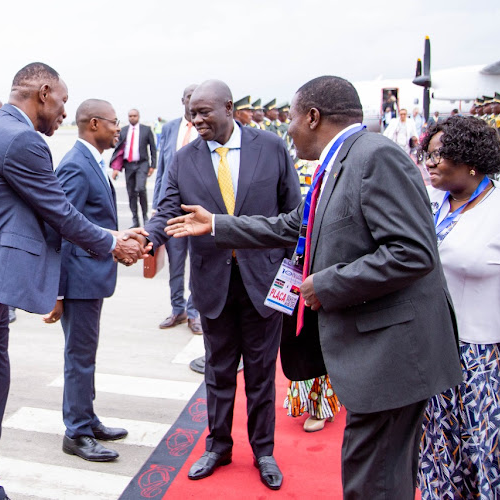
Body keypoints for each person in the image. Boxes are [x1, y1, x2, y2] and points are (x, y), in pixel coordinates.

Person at [165, 75, 462, 499]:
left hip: (392, 358)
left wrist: (327, 283)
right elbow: (292, 224)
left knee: (374, 481)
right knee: (373, 477)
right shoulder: (341, 161)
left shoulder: (375, 157)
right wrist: (215, 224)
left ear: (313, 116)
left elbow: (413, 252)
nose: (286, 127)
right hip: (374, 359)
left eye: (290, 117)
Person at [0, 62, 148, 500]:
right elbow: (58, 211)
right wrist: (113, 243)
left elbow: (41, 214)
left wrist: (111, 237)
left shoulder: (1, 130)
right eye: (61, 100)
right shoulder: (21, 138)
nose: (64, 112)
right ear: (43, 92)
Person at [139, 79, 301, 490]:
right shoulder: (184, 159)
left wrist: (288, 273)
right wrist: (147, 238)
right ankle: (218, 445)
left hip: (263, 282)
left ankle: (263, 451)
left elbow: (293, 217)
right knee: (218, 370)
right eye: (192, 113)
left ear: (229, 107)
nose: (196, 120)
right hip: (213, 283)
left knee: (262, 374)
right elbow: (167, 211)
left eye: (204, 112)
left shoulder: (272, 148)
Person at [417, 115, 500, 499]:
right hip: (428, 347)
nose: (429, 162)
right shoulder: (428, 201)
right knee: (435, 454)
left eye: (439, 155)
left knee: (479, 457)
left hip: (480, 357)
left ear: (470, 159)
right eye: (427, 153)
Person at [39, 99, 128, 462]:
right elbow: (59, 228)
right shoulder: (76, 165)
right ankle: (75, 431)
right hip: (76, 281)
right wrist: (56, 291)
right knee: (79, 357)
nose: (117, 128)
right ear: (94, 124)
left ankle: (87, 419)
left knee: (85, 354)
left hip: (90, 278)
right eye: (113, 122)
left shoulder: (92, 160)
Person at [152, 84, 202, 334]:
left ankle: (194, 312)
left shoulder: (205, 128)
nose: (193, 102)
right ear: (182, 100)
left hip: (197, 211)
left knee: (197, 263)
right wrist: (155, 206)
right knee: (175, 262)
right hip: (171, 209)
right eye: (189, 98)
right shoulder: (170, 128)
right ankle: (177, 309)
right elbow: (161, 169)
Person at [110, 108, 156, 227]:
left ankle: (145, 216)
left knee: (140, 188)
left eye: (134, 116)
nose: (132, 118)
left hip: (142, 163)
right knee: (131, 193)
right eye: (130, 116)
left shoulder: (146, 130)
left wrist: (153, 165)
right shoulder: (124, 131)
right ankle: (135, 219)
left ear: (138, 116)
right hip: (128, 165)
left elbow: (152, 148)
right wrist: (116, 168)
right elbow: (119, 150)